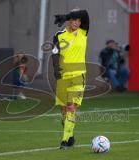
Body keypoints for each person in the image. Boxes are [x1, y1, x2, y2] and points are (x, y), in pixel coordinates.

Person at [53, 8, 89, 149]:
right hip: (63, 77)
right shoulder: (59, 35)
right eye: (74, 19)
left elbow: (85, 13)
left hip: (78, 76)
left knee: (70, 107)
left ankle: (64, 141)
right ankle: (70, 134)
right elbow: (55, 53)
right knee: (63, 110)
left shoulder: (83, 32)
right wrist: (56, 68)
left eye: (79, 20)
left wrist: (66, 15)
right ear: (69, 22)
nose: (77, 22)